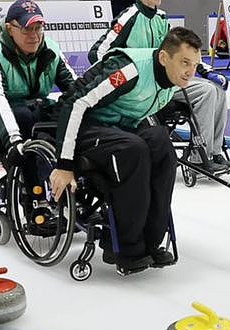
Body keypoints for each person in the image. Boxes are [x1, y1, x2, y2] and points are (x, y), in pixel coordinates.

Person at [49, 27, 203, 271]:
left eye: (195, 65)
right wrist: (64, 165)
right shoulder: (128, 69)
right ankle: (125, 246)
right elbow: (76, 103)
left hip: (119, 128)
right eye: (185, 62)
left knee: (161, 142)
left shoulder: (171, 79)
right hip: (83, 126)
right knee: (133, 148)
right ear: (164, 58)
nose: (190, 72)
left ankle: (151, 242)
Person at [88, 0, 230, 174]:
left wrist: (206, 71)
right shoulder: (129, 17)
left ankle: (213, 152)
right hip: (141, 85)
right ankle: (199, 157)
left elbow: (181, 51)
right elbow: (97, 53)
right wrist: (119, 76)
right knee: (206, 92)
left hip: (166, 81)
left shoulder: (161, 18)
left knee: (216, 88)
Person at [0, 0, 77, 233]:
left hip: (33, 108)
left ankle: (74, 194)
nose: (34, 35)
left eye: (38, 28)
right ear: (10, 28)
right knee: (25, 119)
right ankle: (34, 204)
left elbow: (77, 90)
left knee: (66, 116)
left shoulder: (52, 50)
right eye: (27, 29)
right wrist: (13, 141)